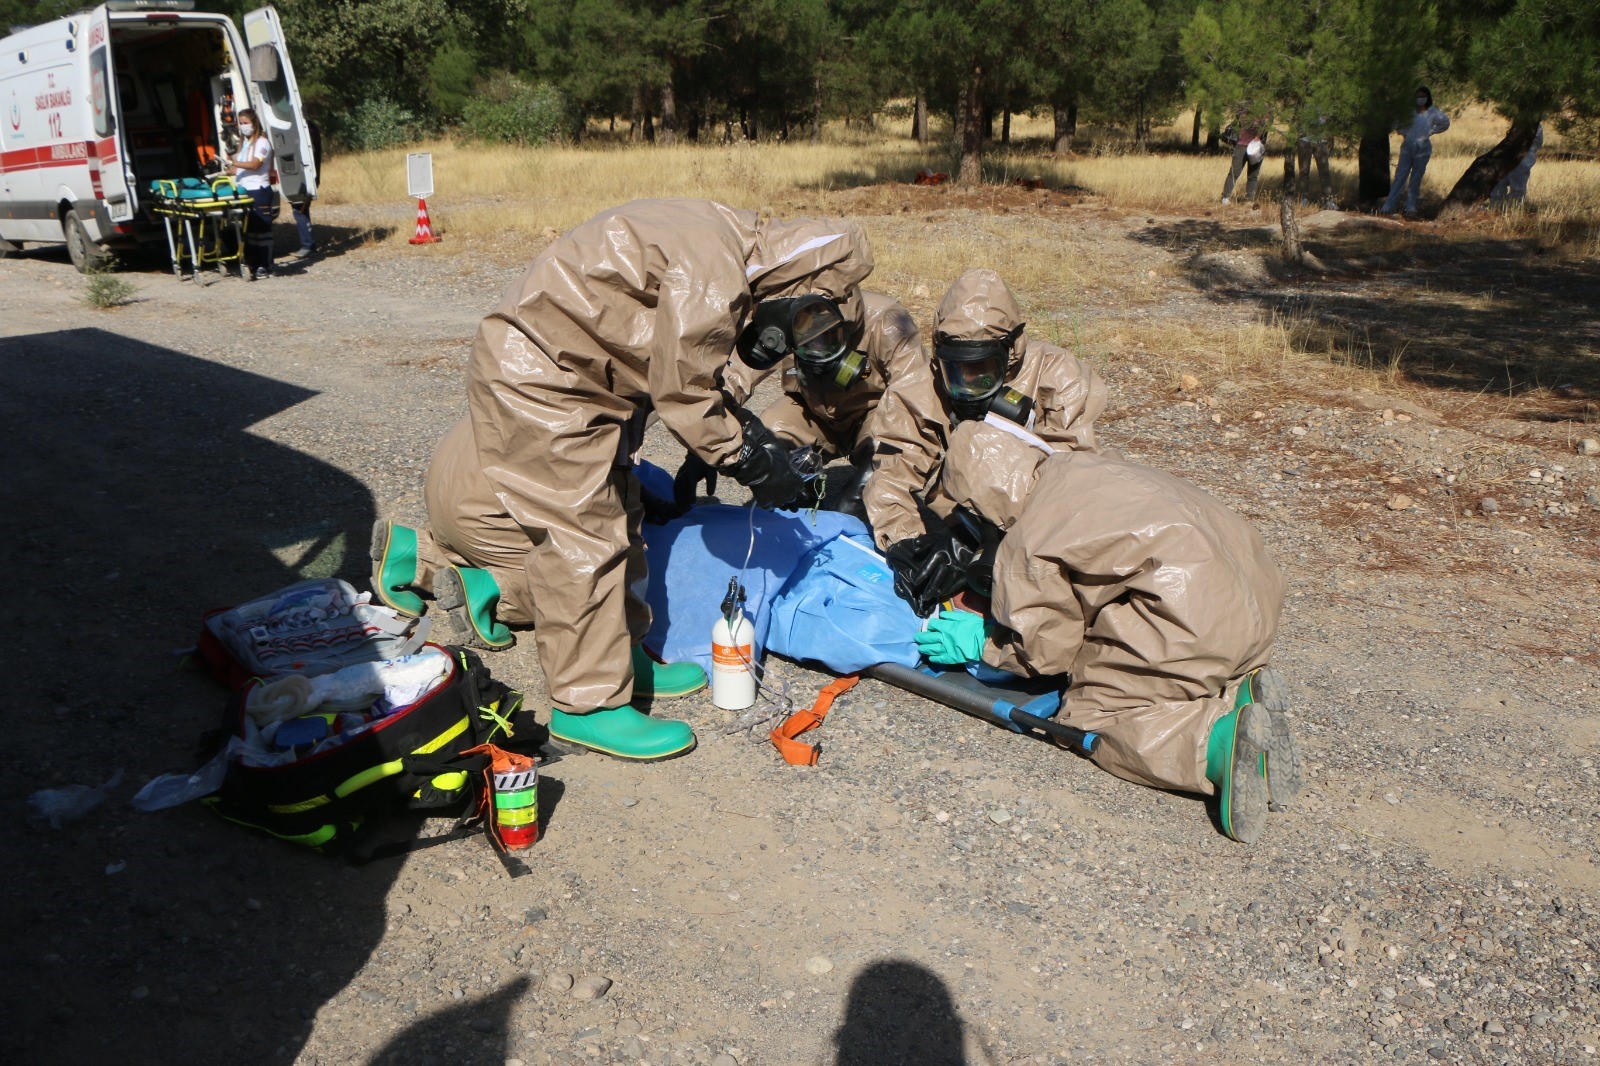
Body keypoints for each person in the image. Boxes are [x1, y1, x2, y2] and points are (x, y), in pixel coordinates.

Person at [371, 199, 874, 761]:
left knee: (621, 514)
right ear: (802, 281)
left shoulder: (730, 238)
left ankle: (623, 657)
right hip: (547, 383)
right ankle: (587, 704)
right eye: (809, 314)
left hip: (584, 381)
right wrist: (748, 457)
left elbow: (691, 359)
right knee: (583, 539)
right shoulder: (719, 267)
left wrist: (728, 434)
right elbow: (684, 389)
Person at [913, 421, 1302, 843]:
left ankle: (1214, 744)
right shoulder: (1081, 468)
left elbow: (1046, 653)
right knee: (1138, 642)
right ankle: (1239, 691)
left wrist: (983, 644)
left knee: (1093, 717)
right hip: (1256, 599)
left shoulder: (1028, 538)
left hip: (1194, 620)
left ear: (981, 501)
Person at [883, 268, 1107, 616]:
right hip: (954, 512)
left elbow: (1072, 476)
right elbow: (892, 474)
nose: (969, 384)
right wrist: (908, 544)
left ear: (1011, 351)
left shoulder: (1057, 375)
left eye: (983, 369)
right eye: (957, 372)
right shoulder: (919, 389)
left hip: (1034, 512)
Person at [669, 289, 947, 542]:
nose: (818, 348)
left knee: (883, 460)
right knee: (767, 434)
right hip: (812, 413)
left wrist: (865, 485)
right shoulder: (784, 320)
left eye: (829, 340)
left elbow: (917, 408)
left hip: (874, 419)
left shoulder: (887, 323)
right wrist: (706, 443)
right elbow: (732, 377)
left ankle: (865, 499)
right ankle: (801, 493)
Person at [1381, 86, 1450, 217]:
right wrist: (1403, 132)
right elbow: (1396, 122)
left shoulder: (1433, 112)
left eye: (1423, 96)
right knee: (1400, 176)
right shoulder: (1408, 112)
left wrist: (1432, 131)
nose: (1420, 99)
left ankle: (1410, 207)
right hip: (1407, 146)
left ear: (1428, 98)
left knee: (1416, 177)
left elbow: (1445, 123)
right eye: (1418, 96)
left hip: (1423, 147)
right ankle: (1389, 205)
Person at [223, 107, 274, 280]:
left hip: (259, 190)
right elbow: (239, 168)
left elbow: (254, 165)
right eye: (240, 123)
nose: (243, 126)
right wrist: (228, 170)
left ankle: (265, 266)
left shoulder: (263, 143)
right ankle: (253, 262)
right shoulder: (244, 145)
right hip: (244, 190)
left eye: (246, 123)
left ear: (254, 123)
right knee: (249, 230)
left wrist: (236, 163)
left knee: (262, 229)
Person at [1220, 106, 1269, 205]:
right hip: (1242, 145)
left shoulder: (1267, 108)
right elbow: (1240, 118)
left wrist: (1257, 136)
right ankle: (1225, 197)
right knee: (1234, 172)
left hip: (1257, 147)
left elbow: (1266, 124)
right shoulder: (1244, 107)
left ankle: (1249, 199)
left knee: (1253, 175)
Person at [289, 119, 321, 260]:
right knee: (301, 210)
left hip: (305, 180)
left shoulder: (306, 130)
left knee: (300, 210)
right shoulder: (309, 128)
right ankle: (309, 244)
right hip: (307, 179)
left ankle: (308, 245)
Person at [1490, 122, 1543, 206]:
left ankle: (1514, 208)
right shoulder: (1517, 120)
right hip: (1508, 154)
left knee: (1517, 184)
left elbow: (1536, 143)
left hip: (1523, 155)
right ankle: (1497, 206)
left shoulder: (1534, 122)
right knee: (1498, 182)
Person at [1296, 114, 1336, 209]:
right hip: (1304, 140)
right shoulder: (1303, 100)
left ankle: (1329, 200)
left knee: (1325, 172)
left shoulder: (1325, 100)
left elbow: (1329, 118)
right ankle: (1304, 200)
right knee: (1304, 171)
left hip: (1321, 141)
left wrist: (1330, 137)